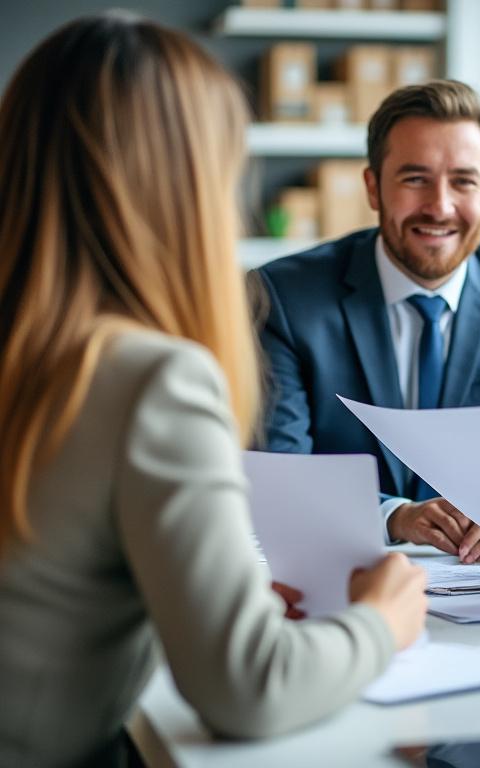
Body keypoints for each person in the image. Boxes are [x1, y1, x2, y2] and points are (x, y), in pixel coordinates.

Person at [0, 14, 427, 767]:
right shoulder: (152, 379)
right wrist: (381, 620)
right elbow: (251, 689)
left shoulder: (34, 356)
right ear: (185, 185)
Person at [256, 80, 480, 564]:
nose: (440, 206)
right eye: (414, 178)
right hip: (341, 572)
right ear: (373, 187)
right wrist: (396, 516)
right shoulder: (284, 296)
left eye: (464, 181)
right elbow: (281, 469)